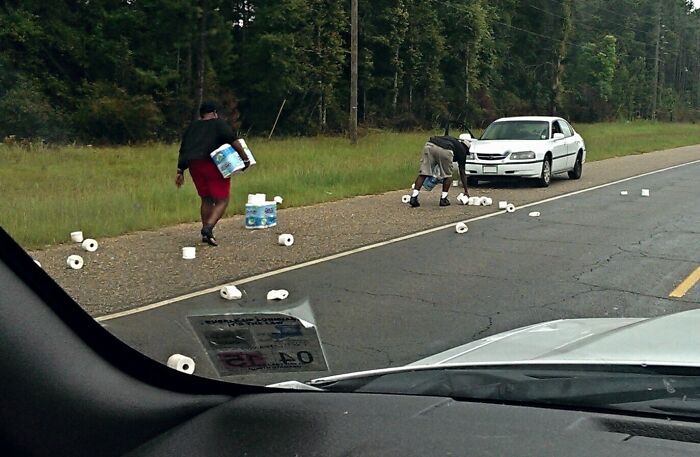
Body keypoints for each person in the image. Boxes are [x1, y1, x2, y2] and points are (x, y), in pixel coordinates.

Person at [175, 101, 250, 246]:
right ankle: (208, 228)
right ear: (215, 113)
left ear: (201, 115)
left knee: (206, 198)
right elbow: (233, 141)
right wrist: (245, 159)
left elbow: (183, 149)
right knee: (222, 199)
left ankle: (206, 234)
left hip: (194, 166)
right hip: (213, 165)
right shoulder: (218, 124)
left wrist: (180, 170)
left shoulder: (192, 127)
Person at [409, 135, 470, 207]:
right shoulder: (462, 150)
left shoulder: (453, 140)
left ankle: (414, 197)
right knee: (448, 175)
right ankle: (443, 199)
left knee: (424, 173)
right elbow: (462, 172)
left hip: (430, 145)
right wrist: (466, 191)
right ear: (466, 148)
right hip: (445, 149)